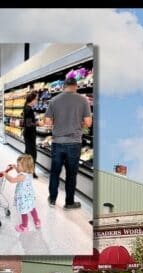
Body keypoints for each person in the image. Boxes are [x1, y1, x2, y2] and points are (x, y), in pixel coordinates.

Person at [44, 77, 92, 209]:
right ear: (76, 86)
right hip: (74, 143)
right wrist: (78, 122)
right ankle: (69, 202)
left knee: (55, 173)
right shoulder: (83, 100)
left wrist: (58, 122)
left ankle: (52, 199)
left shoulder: (54, 100)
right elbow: (88, 123)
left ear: (64, 86)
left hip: (57, 142)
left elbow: (47, 122)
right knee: (71, 175)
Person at [4, 154, 41, 233]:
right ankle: (37, 221)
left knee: (23, 212)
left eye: (19, 165)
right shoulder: (28, 173)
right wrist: (15, 168)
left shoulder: (22, 176)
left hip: (23, 198)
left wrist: (5, 174)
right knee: (32, 208)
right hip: (29, 196)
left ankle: (24, 226)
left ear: (25, 167)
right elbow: (20, 172)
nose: (17, 166)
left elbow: (12, 180)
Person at [23, 92, 41, 179]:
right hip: (30, 135)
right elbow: (29, 124)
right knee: (33, 154)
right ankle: (32, 171)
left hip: (27, 134)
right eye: (36, 99)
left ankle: (25, 168)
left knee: (27, 153)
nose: (37, 101)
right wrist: (38, 123)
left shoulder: (26, 107)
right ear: (32, 100)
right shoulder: (29, 109)